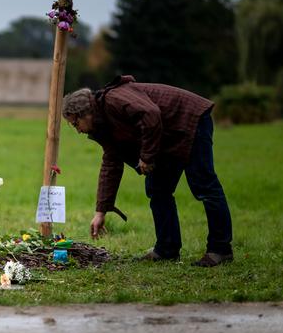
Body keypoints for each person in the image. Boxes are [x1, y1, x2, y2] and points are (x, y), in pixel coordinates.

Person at [62, 75, 233, 267]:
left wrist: (147, 156)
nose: (77, 130)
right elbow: (111, 162)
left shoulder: (114, 99)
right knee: (158, 189)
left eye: (76, 123)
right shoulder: (102, 126)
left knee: (204, 186)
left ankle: (220, 250)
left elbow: (150, 114)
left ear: (86, 113)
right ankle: (167, 249)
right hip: (166, 135)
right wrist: (101, 210)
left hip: (189, 118)